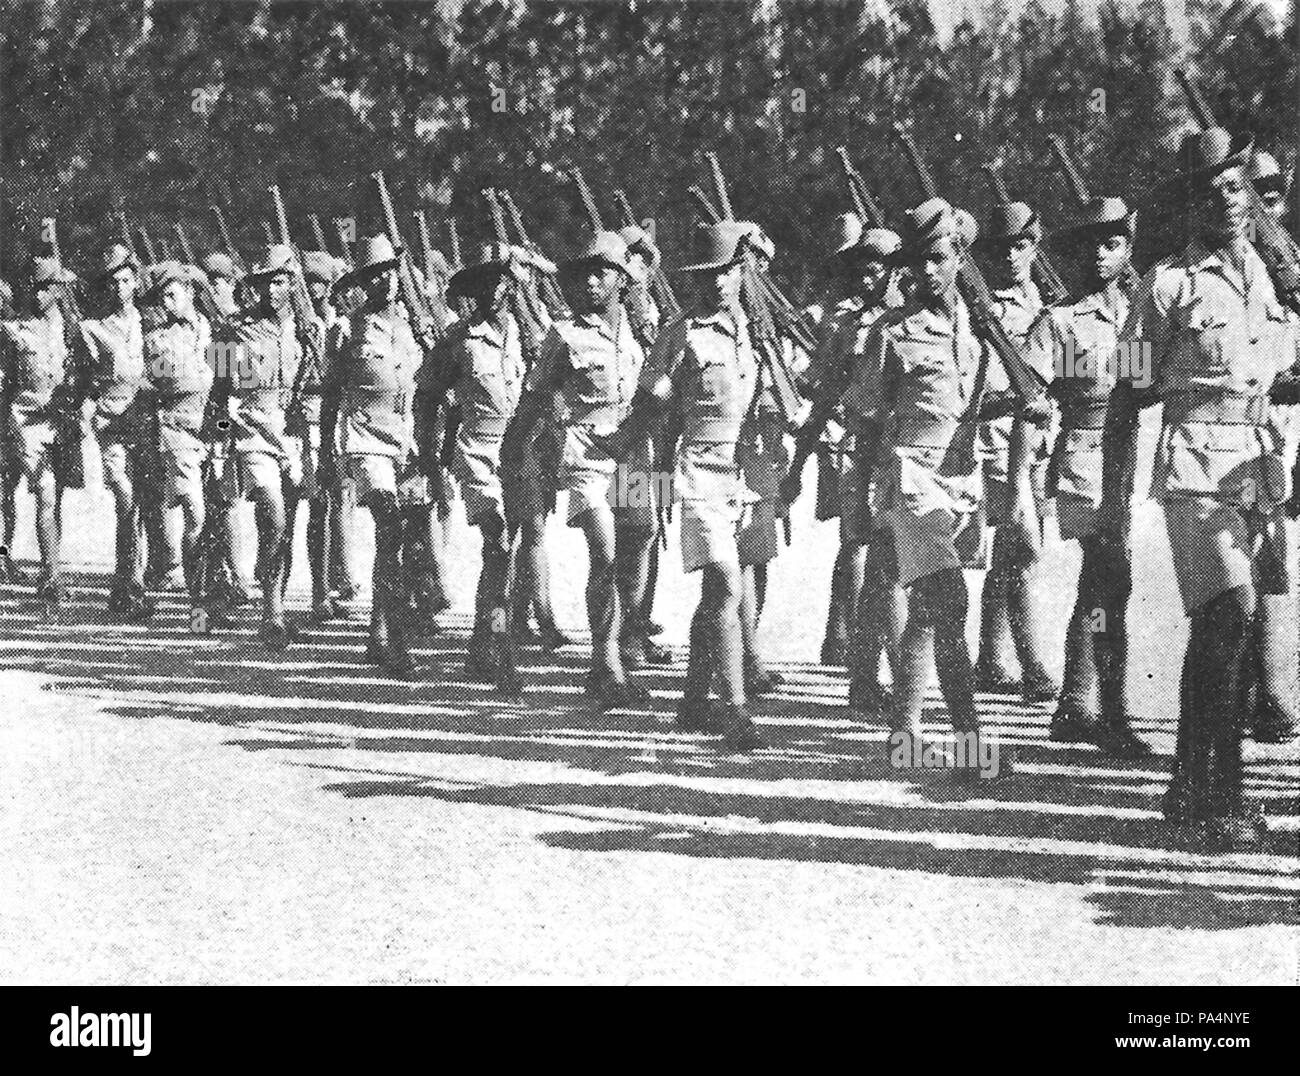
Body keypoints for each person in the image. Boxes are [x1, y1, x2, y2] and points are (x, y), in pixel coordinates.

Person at [1099, 127, 1299, 850]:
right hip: (1193, 470)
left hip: (1257, 469)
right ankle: (1218, 798)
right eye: (1213, 192)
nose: (1230, 202)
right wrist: (1111, 500)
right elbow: (1129, 391)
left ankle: (1191, 787)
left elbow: (1282, 376)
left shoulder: (1276, 276)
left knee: (1233, 636)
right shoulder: (1166, 285)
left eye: (1238, 187)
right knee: (1227, 618)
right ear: (1189, 203)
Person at [859, 198, 1020, 781]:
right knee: (950, 601)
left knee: (929, 611)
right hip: (911, 476)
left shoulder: (980, 327)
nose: (926, 272)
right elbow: (868, 420)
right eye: (918, 262)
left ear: (959, 259)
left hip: (962, 476)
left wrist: (1028, 403)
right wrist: (861, 501)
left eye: (937, 259)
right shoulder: (891, 332)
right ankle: (969, 742)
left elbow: (987, 395)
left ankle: (904, 734)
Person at [594, 221, 768, 750]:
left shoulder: (757, 333)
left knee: (719, 589)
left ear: (742, 272)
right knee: (724, 581)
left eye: (726, 272)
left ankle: (694, 699)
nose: (716, 283)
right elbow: (651, 400)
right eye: (707, 274)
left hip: (745, 472)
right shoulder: (681, 331)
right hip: (694, 469)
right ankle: (735, 709)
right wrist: (626, 448)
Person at [1025, 197, 1150, 757]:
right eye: (1091, 245)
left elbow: (1142, 388)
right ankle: (1101, 709)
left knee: (1105, 582)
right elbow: (1033, 390)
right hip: (1083, 454)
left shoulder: (1141, 313)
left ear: (1128, 249)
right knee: (1108, 576)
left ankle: (1080, 703)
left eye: (1113, 243)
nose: (1101, 254)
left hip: (1129, 453)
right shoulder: (1062, 320)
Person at [506, 231, 652, 709]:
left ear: (621, 280)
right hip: (584, 456)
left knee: (641, 541)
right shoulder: (563, 336)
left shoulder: (642, 332)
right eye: (583, 273)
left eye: (602, 272)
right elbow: (531, 400)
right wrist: (513, 455)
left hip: (635, 455)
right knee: (605, 552)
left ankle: (628, 640)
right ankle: (604, 660)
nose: (591, 281)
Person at [785, 226, 906, 714]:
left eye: (873, 269)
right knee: (867, 557)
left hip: (905, 455)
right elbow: (825, 395)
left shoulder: (910, 322)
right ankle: (865, 673)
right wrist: (797, 464)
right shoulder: (849, 326)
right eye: (859, 269)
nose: (864, 278)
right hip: (862, 451)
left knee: (889, 565)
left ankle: (875, 671)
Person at [320, 235, 431, 675]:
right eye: (374, 275)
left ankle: (378, 630)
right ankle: (396, 644)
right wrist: (328, 449)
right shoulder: (348, 329)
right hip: (365, 438)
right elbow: (331, 394)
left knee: (410, 536)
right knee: (390, 525)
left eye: (390, 270)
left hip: (407, 441)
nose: (385, 280)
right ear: (363, 283)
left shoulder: (413, 327)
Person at [425, 242, 528, 691]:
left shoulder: (528, 334)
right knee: (499, 540)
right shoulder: (458, 341)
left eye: (499, 282)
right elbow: (427, 395)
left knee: (507, 551)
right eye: (482, 285)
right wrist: (431, 454)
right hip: (479, 451)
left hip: (522, 450)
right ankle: (499, 650)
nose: (493, 291)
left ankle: (483, 639)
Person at [972, 202, 1058, 702]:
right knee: (1022, 549)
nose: (1011, 256)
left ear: (1034, 246)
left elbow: (1057, 378)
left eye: (1021, 245)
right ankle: (1032, 664)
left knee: (1011, 553)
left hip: (1038, 446)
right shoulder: (984, 309)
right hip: (998, 444)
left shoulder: (1041, 301)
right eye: (1001, 248)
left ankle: (990, 655)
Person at [210, 244, 311, 648]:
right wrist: (219, 440)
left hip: (292, 433)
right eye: (266, 281)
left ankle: (278, 606)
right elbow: (218, 394)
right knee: (273, 511)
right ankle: (271, 612)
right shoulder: (234, 330)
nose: (272, 289)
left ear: (293, 284)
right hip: (250, 429)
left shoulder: (309, 331)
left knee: (286, 527)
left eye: (281, 280)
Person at [74, 243, 149, 618]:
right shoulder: (93, 330)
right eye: (112, 282)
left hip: (149, 423)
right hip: (112, 424)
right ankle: (127, 585)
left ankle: (140, 579)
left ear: (135, 281)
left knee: (147, 503)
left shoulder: (151, 322)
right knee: (125, 497)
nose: (119, 288)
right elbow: (84, 383)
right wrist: (84, 418)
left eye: (125, 280)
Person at [138, 261, 214, 621]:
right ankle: (197, 604)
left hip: (213, 434)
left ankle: (215, 592)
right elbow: (159, 392)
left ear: (191, 292)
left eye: (172, 295)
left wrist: (223, 433)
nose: (167, 304)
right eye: (162, 298)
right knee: (194, 512)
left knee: (213, 516)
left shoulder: (218, 335)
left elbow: (231, 390)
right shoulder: (158, 342)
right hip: (177, 434)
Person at [0, 254, 77, 606]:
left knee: (55, 495)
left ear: (59, 291)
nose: (40, 294)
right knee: (44, 490)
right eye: (35, 287)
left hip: (61, 423)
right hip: (25, 421)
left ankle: (52, 563)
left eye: (47, 287)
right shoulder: (15, 330)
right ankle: (52, 577)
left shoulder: (72, 329)